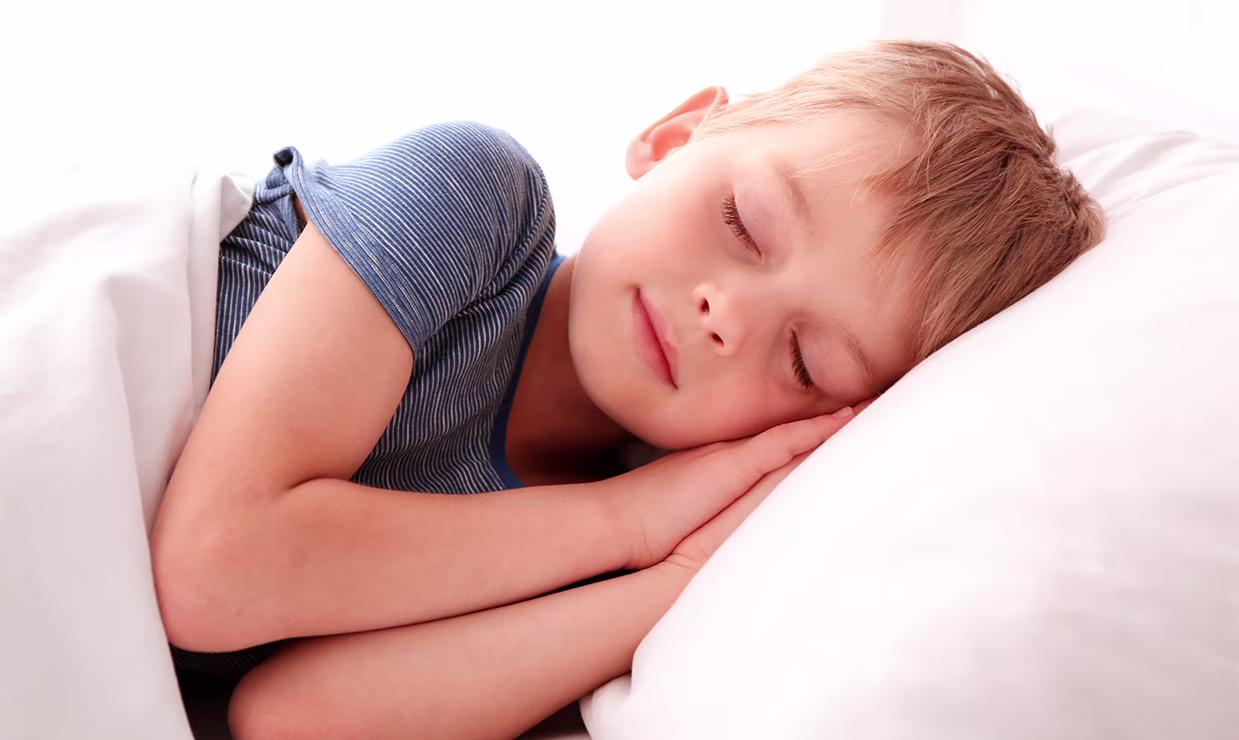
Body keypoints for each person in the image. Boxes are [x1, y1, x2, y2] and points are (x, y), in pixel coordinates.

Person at [149, 40, 1104, 739]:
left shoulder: (616, 559)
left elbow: (290, 720)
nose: (725, 314)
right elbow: (211, 573)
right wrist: (623, 522)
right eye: (746, 221)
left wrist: (673, 579)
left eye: (807, 362)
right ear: (677, 133)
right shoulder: (471, 196)